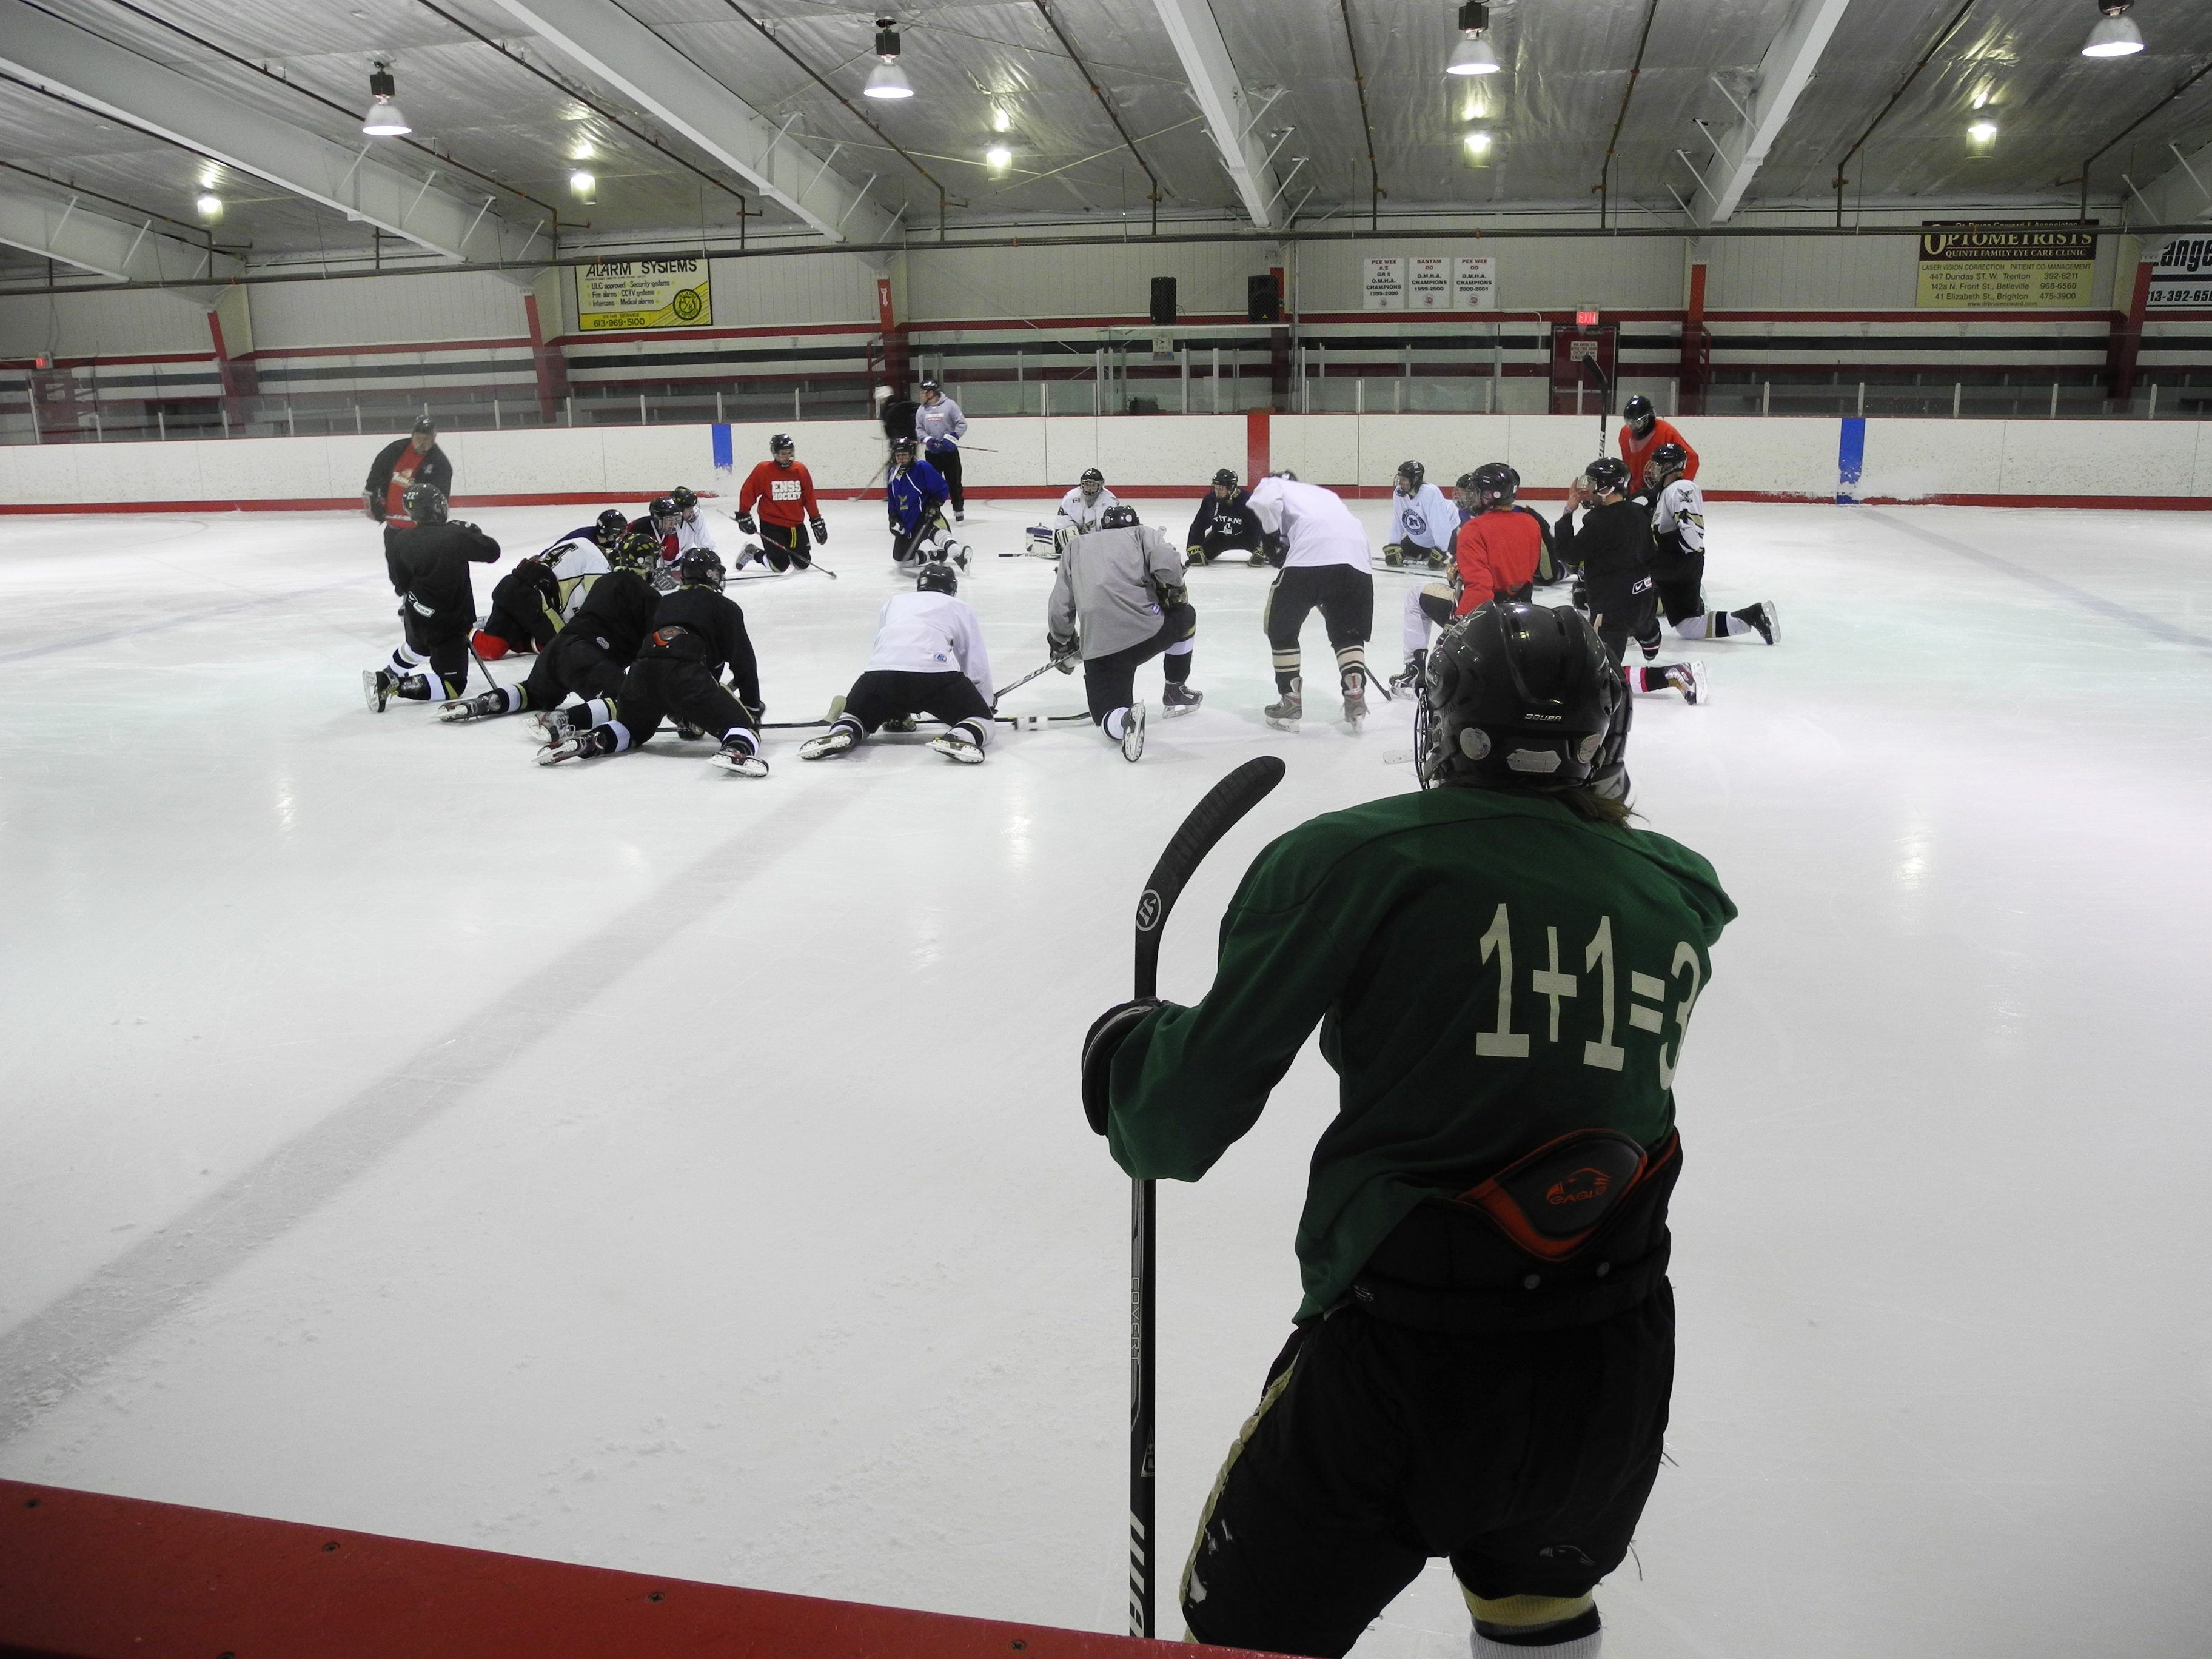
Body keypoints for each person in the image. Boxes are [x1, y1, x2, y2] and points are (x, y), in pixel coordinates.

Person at [1080, 600, 1735, 1659]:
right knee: (1535, 1607)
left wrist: (1127, 1059)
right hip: (1609, 1362)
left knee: (1244, 1637)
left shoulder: (1356, 859)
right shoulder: (1678, 893)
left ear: (1444, 726)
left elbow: (1172, 1128)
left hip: (1401, 1366)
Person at [537, 548, 768, 777]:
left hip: (641, 675)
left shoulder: (665, 603)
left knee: (630, 728)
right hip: (685, 675)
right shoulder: (725, 607)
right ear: (710, 575)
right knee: (744, 727)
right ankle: (736, 749)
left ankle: (592, 740)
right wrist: (752, 708)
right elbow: (743, 662)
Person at [440, 530, 661, 728]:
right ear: (647, 563)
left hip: (556, 649)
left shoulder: (603, 582)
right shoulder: (648, 596)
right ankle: (565, 720)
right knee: (627, 701)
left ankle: (492, 700)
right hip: (587, 657)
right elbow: (659, 648)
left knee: (532, 693)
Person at [800, 561, 994, 765]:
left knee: (856, 717)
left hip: (879, 675)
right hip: (934, 677)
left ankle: (843, 731)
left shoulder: (894, 602)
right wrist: (985, 702)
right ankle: (959, 736)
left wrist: (894, 709)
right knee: (982, 720)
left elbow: (890, 649)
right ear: (952, 588)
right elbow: (974, 660)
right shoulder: (958, 607)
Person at [1047, 503, 1199, 762]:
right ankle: (1175, 687)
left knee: (1107, 715)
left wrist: (1062, 643)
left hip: (1100, 650)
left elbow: (1060, 606)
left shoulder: (1075, 546)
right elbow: (1169, 566)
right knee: (1186, 616)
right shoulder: (1143, 533)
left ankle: (1124, 719)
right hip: (1147, 633)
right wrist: (1173, 586)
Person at [1393, 463, 1554, 694]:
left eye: (1477, 492)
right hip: (1522, 613)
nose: (1471, 497)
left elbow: (1480, 589)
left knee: (1415, 594)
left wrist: (1454, 628)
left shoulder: (1474, 528)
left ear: (1490, 496)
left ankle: (1414, 672)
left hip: (1489, 617)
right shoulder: (1530, 522)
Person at [1555, 459, 1703, 705]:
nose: (1587, 490)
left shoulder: (1598, 522)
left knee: (1597, 677)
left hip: (1613, 611)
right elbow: (1649, 553)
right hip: (1644, 598)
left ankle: (1671, 674)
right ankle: (1650, 634)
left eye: (1593, 484)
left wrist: (1568, 511)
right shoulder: (1638, 512)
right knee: (1640, 617)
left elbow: (1568, 553)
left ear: (1607, 488)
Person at [1246, 473, 1375, 731]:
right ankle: (1355, 691)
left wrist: (1271, 538)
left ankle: (1290, 699)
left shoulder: (1276, 484)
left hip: (1311, 558)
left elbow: (1265, 503)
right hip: (1358, 563)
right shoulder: (1325, 495)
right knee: (1347, 633)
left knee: (1280, 629)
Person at [362, 482, 500, 711]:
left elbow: (400, 583)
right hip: (447, 623)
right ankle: (389, 684)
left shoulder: (401, 539)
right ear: (436, 508)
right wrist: (472, 532)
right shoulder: (455, 535)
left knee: (417, 647)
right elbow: (493, 552)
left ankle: (389, 672)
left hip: (416, 612)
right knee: (453, 685)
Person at [1641, 443, 1777, 646]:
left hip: (1677, 563)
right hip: (1681, 563)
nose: (1653, 470)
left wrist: (1658, 545)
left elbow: (1692, 536)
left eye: (1658, 465)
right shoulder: (1667, 491)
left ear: (1670, 467)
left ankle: (1628, 628)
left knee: (1632, 577)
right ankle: (1750, 616)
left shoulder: (1681, 488)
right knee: (1688, 626)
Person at [474, 512, 624, 659]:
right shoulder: (597, 560)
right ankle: (464, 626)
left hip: (512, 585)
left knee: (490, 648)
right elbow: (597, 602)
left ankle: (472, 628)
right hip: (532, 595)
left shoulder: (582, 540)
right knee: (567, 644)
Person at [736, 433, 827, 572]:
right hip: (772, 525)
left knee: (803, 563)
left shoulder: (800, 470)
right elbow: (749, 492)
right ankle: (753, 552)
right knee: (779, 566)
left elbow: (809, 497)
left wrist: (816, 520)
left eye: (790, 453)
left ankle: (783, 552)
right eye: (783, 453)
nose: (787, 457)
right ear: (775, 453)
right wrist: (744, 514)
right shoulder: (764, 470)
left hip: (796, 525)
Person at [886, 437, 956, 567]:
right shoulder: (892, 474)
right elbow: (892, 500)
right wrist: (893, 517)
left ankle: (956, 551)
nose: (902, 459)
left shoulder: (922, 468)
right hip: (907, 523)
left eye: (905, 455)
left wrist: (935, 504)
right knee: (901, 561)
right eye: (899, 456)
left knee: (938, 533)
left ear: (911, 455)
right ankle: (935, 555)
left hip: (924, 515)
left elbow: (942, 487)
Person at [631, 488, 717, 589]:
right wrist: (654, 573)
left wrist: (714, 565)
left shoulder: (671, 529)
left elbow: (705, 543)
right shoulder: (648, 526)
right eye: (689, 508)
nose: (693, 512)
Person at [1184, 468, 1268, 566]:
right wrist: (1194, 545)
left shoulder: (1247, 500)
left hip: (1247, 537)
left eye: (1221, 488)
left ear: (1231, 488)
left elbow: (1258, 525)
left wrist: (1263, 546)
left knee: (1270, 554)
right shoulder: (1210, 500)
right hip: (1220, 537)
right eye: (1216, 488)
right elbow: (1199, 524)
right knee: (1204, 554)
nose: (1218, 492)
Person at [1382, 460, 1456, 569]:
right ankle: (1426, 552)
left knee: (1465, 559)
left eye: (1404, 480)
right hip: (1423, 537)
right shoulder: (1399, 494)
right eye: (1400, 479)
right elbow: (1398, 519)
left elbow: (1440, 525)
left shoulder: (1430, 493)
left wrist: (1441, 551)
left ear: (1416, 480)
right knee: (1400, 555)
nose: (1400, 483)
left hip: (1450, 531)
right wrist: (1394, 543)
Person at [914, 377, 970, 523]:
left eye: (924, 392)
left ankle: (958, 508)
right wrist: (928, 440)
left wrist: (951, 439)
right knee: (933, 483)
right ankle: (934, 509)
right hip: (932, 453)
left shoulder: (950, 405)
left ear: (932, 393)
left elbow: (961, 424)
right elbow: (919, 429)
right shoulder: (922, 410)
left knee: (954, 481)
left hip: (949, 452)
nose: (921, 394)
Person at [1616, 395, 1698, 488]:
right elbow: (1628, 465)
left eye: (1638, 423)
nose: (1633, 427)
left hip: (1659, 489)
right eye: (1629, 423)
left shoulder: (1666, 431)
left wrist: (1680, 486)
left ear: (1649, 417)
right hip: (1634, 490)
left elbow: (1692, 458)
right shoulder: (1625, 433)